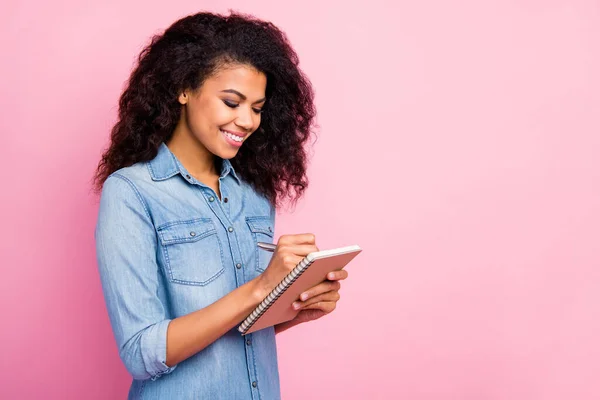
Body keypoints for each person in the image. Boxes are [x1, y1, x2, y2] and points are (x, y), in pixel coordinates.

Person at [94, 11, 348, 400]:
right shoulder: (131, 192)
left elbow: (236, 330)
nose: (246, 121)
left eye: (258, 108)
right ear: (184, 88)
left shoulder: (254, 193)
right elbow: (141, 353)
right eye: (232, 102)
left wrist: (293, 307)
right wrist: (261, 286)